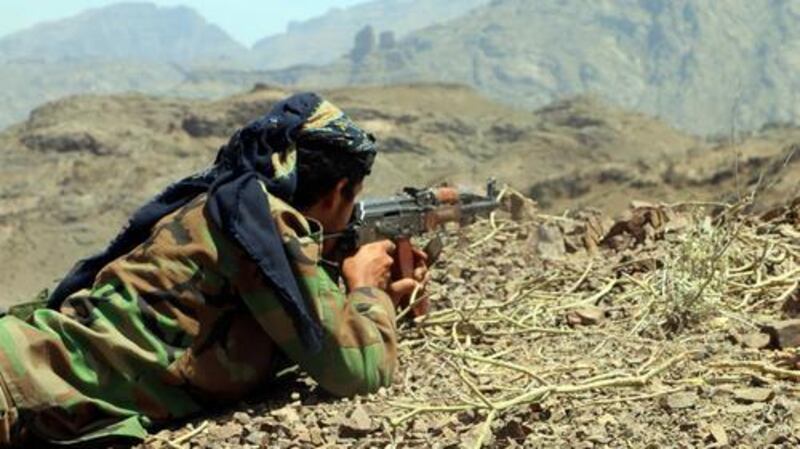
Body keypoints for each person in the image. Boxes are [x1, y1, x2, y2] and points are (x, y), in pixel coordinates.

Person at [0, 93, 425, 447]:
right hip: (17, 387)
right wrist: (368, 288)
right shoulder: (267, 223)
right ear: (337, 193)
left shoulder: (229, 210)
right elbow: (358, 371)